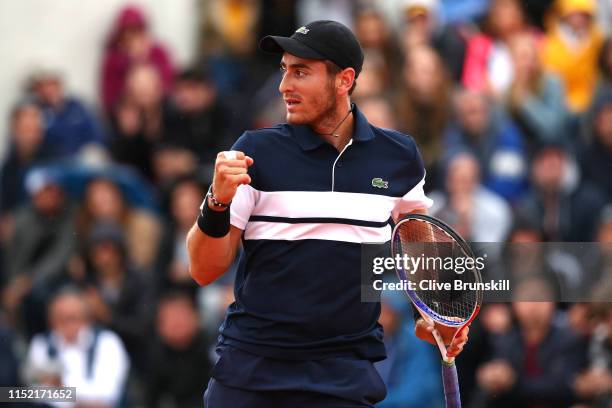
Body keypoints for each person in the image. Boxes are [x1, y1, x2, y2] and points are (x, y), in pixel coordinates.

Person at [186, 20, 469, 407]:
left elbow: (420, 256)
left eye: (301, 72)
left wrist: (431, 321)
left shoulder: (398, 157)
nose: (285, 85)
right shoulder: (255, 151)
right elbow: (204, 269)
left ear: (344, 79)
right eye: (284, 70)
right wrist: (216, 202)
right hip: (251, 371)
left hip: (344, 377)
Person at [23, 287, 129, 408]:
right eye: (61, 318)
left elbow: (107, 393)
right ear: (51, 320)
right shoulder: (41, 343)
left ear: (87, 319)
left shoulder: (107, 341)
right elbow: (36, 393)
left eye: (73, 318)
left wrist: (62, 386)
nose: (68, 324)